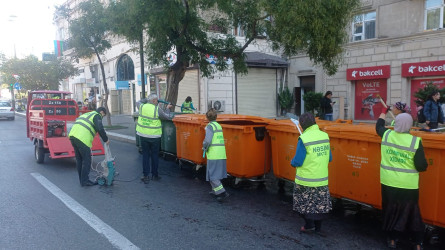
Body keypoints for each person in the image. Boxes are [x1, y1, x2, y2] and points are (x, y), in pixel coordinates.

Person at [376, 108, 428, 250]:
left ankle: (392, 239)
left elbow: (378, 126)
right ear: (410, 125)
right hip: (408, 186)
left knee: (391, 210)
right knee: (411, 212)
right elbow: (421, 165)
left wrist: (383, 112)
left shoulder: (387, 135)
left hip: (389, 183)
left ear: (396, 123)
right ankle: (417, 242)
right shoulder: (415, 142)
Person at [290, 112, 332, 233]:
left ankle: (309, 225)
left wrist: (292, 162)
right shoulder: (325, 136)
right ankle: (318, 228)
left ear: (302, 125)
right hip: (322, 181)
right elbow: (329, 158)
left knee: (303, 206)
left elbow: (297, 161)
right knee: (319, 206)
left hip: (306, 181)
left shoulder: (303, 139)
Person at [69, 107, 110, 186]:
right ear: (101, 112)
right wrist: (106, 139)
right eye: (103, 115)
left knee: (79, 160)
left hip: (73, 136)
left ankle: (82, 180)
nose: (102, 117)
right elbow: (100, 128)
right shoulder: (97, 115)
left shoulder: (87, 114)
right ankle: (85, 181)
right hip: (82, 139)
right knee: (86, 160)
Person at [136, 94, 173, 183]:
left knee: (145, 155)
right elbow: (167, 116)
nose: (157, 102)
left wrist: (146, 99)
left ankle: (145, 175)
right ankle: (155, 175)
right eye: (156, 100)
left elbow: (138, 101)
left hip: (143, 135)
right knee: (154, 155)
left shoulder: (141, 106)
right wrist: (168, 108)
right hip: (154, 137)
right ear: (153, 101)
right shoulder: (157, 109)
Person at [203, 108, 229, 202]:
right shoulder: (218, 126)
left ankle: (222, 192)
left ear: (207, 117)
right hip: (221, 153)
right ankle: (215, 191)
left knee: (212, 175)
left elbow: (208, 140)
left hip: (214, 154)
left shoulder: (210, 126)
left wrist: (204, 146)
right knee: (215, 174)